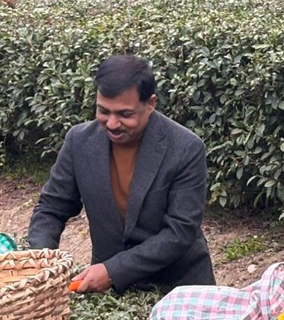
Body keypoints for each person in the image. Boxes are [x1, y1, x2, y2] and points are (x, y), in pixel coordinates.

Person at [27, 55, 215, 294]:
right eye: (103, 111)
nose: (112, 123)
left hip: (178, 289)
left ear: (150, 103)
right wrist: (43, 260)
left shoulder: (186, 148)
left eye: (125, 114)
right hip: (111, 295)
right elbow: (52, 208)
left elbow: (180, 232)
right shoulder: (79, 142)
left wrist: (113, 271)